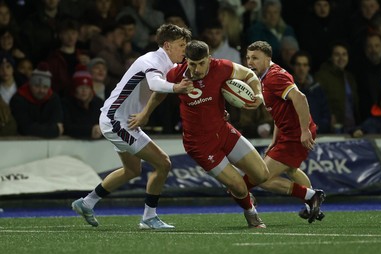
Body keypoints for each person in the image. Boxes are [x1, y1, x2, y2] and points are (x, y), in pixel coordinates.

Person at [130, 40, 325, 226]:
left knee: (262, 175)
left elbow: (248, 75)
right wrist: (145, 114)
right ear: (185, 61)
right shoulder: (177, 75)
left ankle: (310, 196)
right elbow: (158, 93)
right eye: (192, 64)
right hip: (200, 144)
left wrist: (256, 95)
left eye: (201, 63)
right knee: (239, 187)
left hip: (225, 132)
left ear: (209, 58)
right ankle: (252, 213)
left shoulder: (222, 67)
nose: (196, 69)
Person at [71, 24, 193, 229]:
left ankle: (86, 203)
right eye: (181, 45)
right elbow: (155, 85)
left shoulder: (169, 65)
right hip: (116, 121)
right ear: (167, 45)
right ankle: (149, 217)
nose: (184, 49)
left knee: (132, 170)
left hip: (123, 121)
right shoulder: (151, 60)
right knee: (163, 163)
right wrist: (176, 87)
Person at [246, 41, 325, 222]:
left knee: (261, 178)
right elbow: (279, 114)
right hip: (287, 134)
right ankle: (311, 204)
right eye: (248, 58)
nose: (250, 62)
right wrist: (274, 141)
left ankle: (312, 196)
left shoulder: (274, 77)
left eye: (255, 58)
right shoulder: (264, 77)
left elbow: (300, 97)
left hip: (296, 134)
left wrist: (304, 131)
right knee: (291, 169)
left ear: (268, 59)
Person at [9, 62, 64, 138]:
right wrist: (53, 131)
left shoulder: (53, 99)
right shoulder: (18, 99)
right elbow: (24, 128)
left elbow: (57, 122)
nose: (41, 90)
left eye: (45, 87)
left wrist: (39, 129)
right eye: (37, 86)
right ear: (30, 85)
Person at [291, 50, 331, 134]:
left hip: (316, 137)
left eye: (305, 65)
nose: (301, 68)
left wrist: (316, 127)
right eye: (298, 65)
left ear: (308, 68)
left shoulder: (317, 89)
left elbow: (326, 115)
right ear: (293, 67)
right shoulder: (285, 89)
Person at [62, 67, 103, 139]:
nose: (84, 91)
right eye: (81, 87)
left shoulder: (99, 103)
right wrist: (90, 131)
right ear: (75, 89)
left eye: (87, 87)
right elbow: (67, 127)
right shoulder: (66, 104)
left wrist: (100, 130)